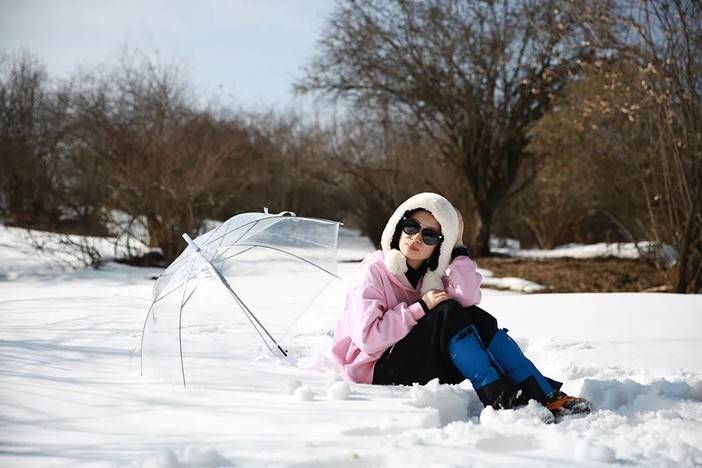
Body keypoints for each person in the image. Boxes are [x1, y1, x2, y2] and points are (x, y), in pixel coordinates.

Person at [331, 192, 591, 417]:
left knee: (472, 315)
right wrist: (420, 308)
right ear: (399, 228)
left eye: (430, 235)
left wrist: (458, 247)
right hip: (375, 369)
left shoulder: (431, 276)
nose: (416, 238)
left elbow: (467, 296)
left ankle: (541, 393)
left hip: (412, 360)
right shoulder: (374, 271)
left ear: (439, 246)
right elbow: (369, 339)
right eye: (411, 227)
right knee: (447, 310)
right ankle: (500, 397)